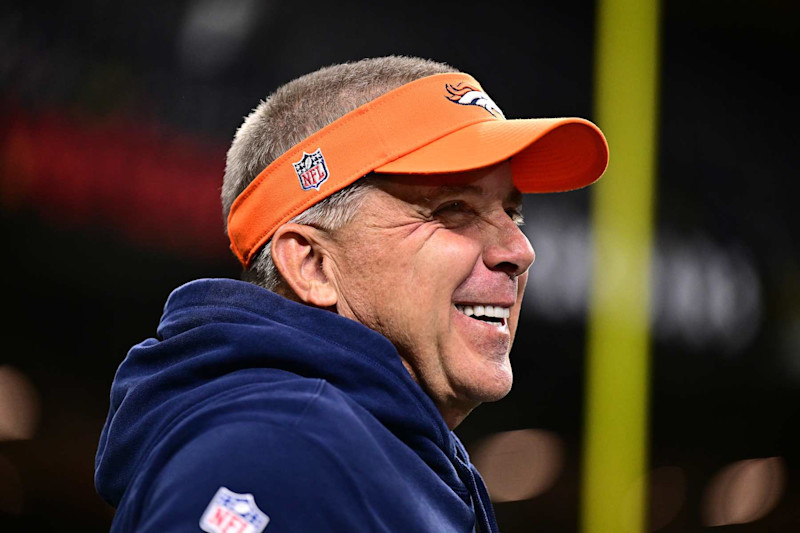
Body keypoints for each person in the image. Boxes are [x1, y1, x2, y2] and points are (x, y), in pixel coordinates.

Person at [94, 55, 608, 533]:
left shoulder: (368, 450)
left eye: (511, 214)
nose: (520, 249)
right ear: (312, 264)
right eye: (452, 208)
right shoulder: (280, 451)